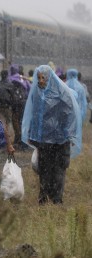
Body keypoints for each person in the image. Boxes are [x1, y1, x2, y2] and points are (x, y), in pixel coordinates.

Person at [22, 65, 82, 204]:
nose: (41, 81)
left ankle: (56, 199)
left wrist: (69, 133)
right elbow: (34, 115)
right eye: (39, 78)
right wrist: (32, 134)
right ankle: (44, 197)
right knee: (44, 169)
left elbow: (70, 113)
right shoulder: (37, 93)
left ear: (50, 78)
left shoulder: (62, 92)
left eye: (43, 78)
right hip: (44, 140)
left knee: (59, 168)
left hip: (61, 139)